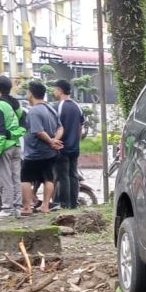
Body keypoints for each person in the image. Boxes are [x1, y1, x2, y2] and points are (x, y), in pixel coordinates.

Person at [21, 80, 63, 215]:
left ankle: (27, 208)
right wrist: (55, 141)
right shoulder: (50, 108)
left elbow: (38, 131)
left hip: (34, 152)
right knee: (48, 178)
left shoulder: (33, 111)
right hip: (49, 153)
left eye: (28, 92)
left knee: (25, 178)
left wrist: (51, 141)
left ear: (31, 94)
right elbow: (60, 127)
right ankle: (45, 206)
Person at [0, 76, 26, 218]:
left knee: (4, 178)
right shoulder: (15, 103)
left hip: (4, 147)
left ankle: (7, 209)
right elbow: (24, 124)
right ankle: (17, 207)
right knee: (16, 178)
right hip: (16, 145)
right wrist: (14, 134)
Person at [53, 79, 83, 209]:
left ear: (60, 90)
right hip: (75, 147)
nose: (54, 92)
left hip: (62, 147)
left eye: (55, 89)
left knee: (63, 176)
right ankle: (74, 203)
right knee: (73, 175)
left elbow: (55, 127)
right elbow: (80, 127)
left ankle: (65, 205)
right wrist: (76, 141)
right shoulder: (77, 106)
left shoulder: (58, 107)